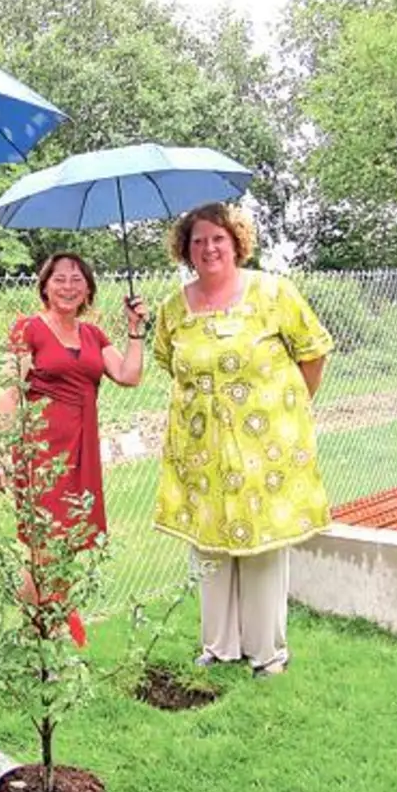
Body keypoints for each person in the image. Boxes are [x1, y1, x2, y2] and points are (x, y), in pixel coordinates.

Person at [149, 202, 334, 678]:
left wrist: (287, 408)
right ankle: (219, 647)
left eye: (218, 238)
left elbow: (313, 354)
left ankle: (267, 652)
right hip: (200, 447)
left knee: (263, 544)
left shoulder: (274, 292)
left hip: (265, 445)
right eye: (198, 241)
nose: (209, 248)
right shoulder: (174, 309)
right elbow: (170, 362)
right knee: (210, 544)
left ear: (236, 243)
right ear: (186, 250)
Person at [0, 252, 147, 550]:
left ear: (88, 289)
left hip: (82, 450)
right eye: (59, 279)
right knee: (45, 546)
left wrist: (135, 329)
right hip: (42, 454)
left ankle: (56, 601)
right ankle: (32, 600)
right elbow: (10, 392)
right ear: (45, 286)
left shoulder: (93, 335)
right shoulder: (28, 328)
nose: (68, 286)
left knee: (71, 543)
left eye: (77, 279)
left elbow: (129, 375)